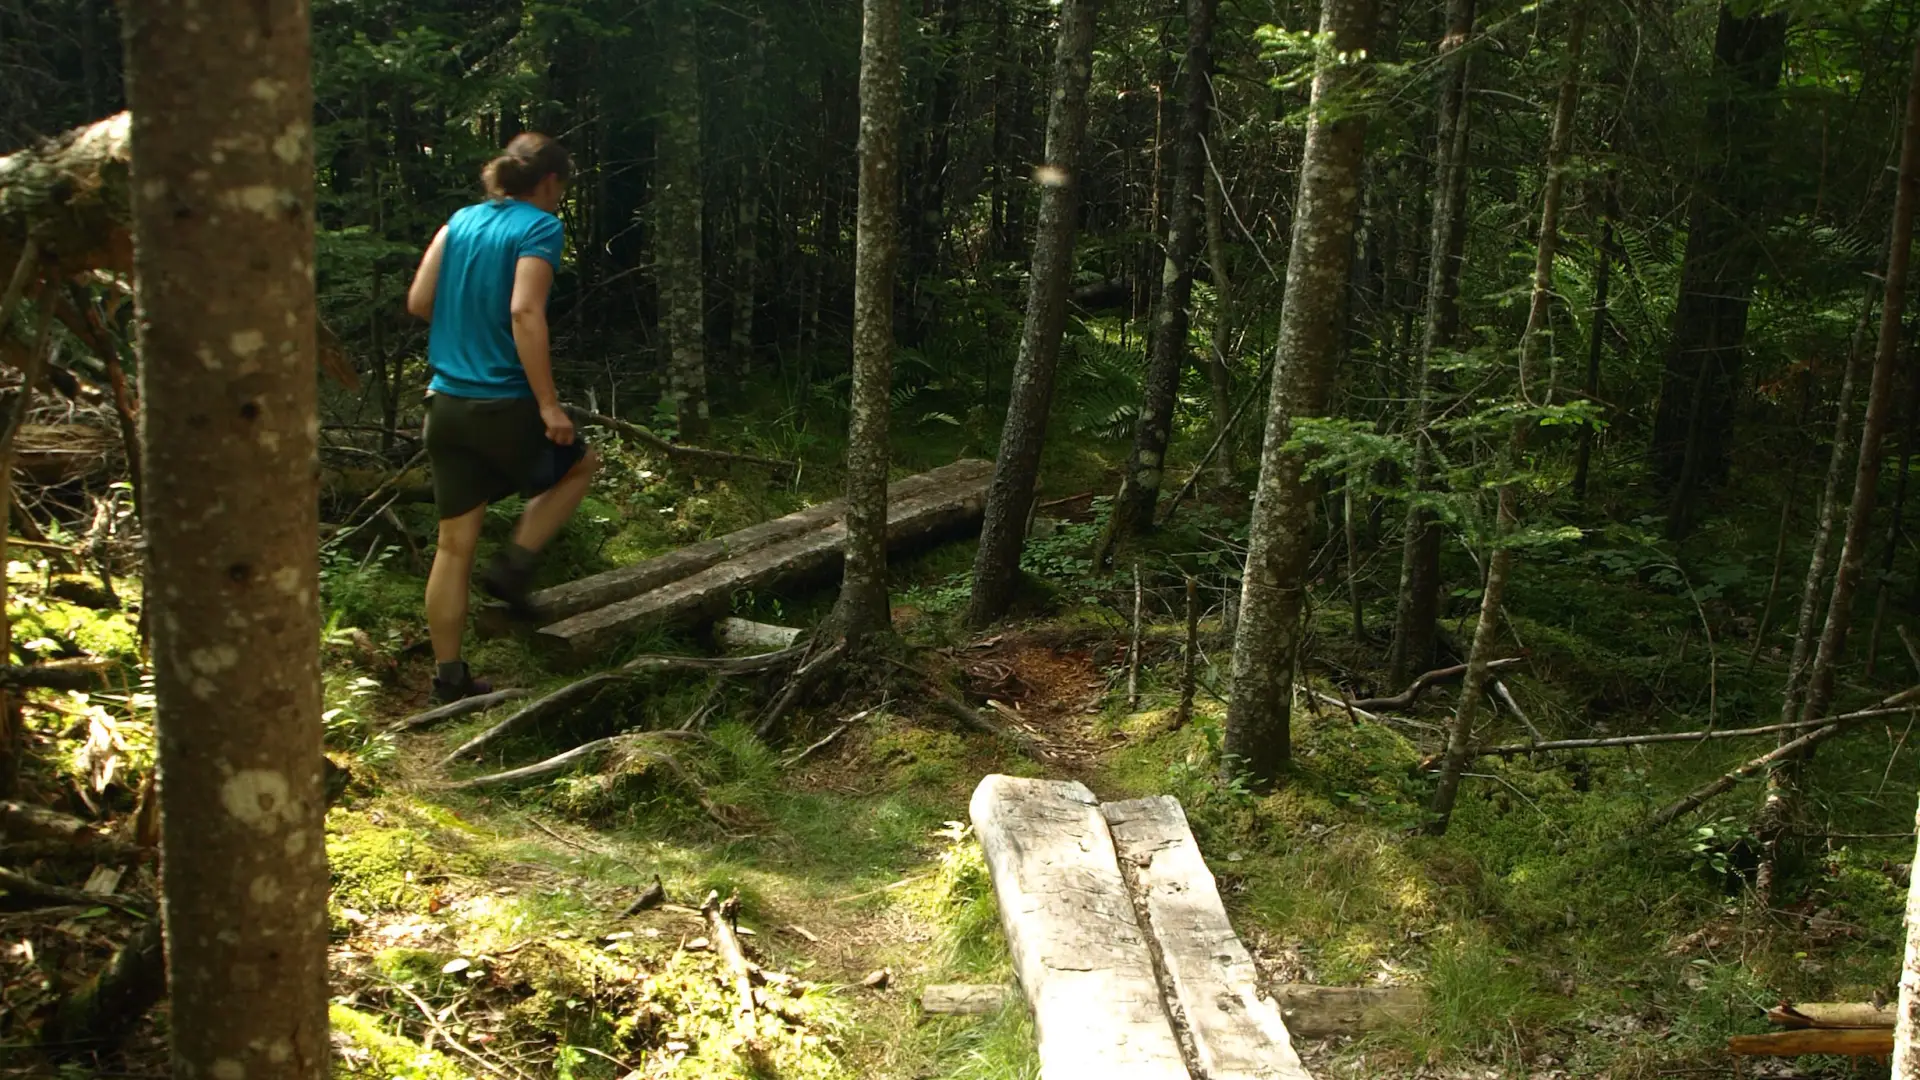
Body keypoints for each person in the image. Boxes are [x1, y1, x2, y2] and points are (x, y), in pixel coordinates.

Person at [406, 132, 599, 704]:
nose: (561, 199)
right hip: (503, 400)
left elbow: (419, 302)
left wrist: (462, 333)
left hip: (445, 404)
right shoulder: (540, 226)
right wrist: (546, 404)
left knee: (453, 545)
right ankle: (515, 567)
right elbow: (523, 310)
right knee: (581, 464)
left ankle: (450, 678)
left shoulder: (459, 222)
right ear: (548, 182)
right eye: (562, 188)